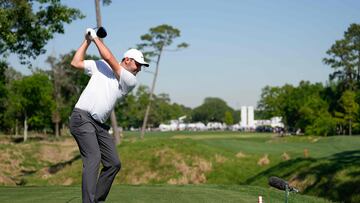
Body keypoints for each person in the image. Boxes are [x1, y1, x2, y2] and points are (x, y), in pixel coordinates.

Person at [69, 28, 149, 203]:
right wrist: (87, 41)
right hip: (81, 118)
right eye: (138, 64)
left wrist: (95, 37)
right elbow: (75, 62)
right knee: (93, 158)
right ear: (127, 59)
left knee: (113, 163)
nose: (140, 69)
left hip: (98, 125)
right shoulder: (100, 66)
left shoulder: (129, 79)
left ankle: (96, 199)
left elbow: (109, 59)